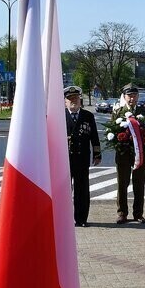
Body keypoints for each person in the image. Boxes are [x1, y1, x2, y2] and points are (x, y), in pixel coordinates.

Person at [111, 83, 145, 224]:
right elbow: (112, 131)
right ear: (124, 97)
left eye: (134, 95)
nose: (132, 98)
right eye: (129, 96)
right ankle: (122, 213)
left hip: (141, 154)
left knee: (139, 183)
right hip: (123, 153)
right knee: (122, 183)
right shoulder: (118, 112)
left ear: (138, 97)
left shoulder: (144, 111)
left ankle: (138, 213)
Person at [64, 85, 100, 227]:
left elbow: (94, 136)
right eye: (70, 99)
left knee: (82, 190)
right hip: (64, 160)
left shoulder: (88, 116)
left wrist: (97, 154)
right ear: (65, 101)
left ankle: (81, 219)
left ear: (80, 100)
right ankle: (65, 219)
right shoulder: (60, 115)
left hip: (82, 158)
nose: (73, 101)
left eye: (76, 98)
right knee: (64, 191)